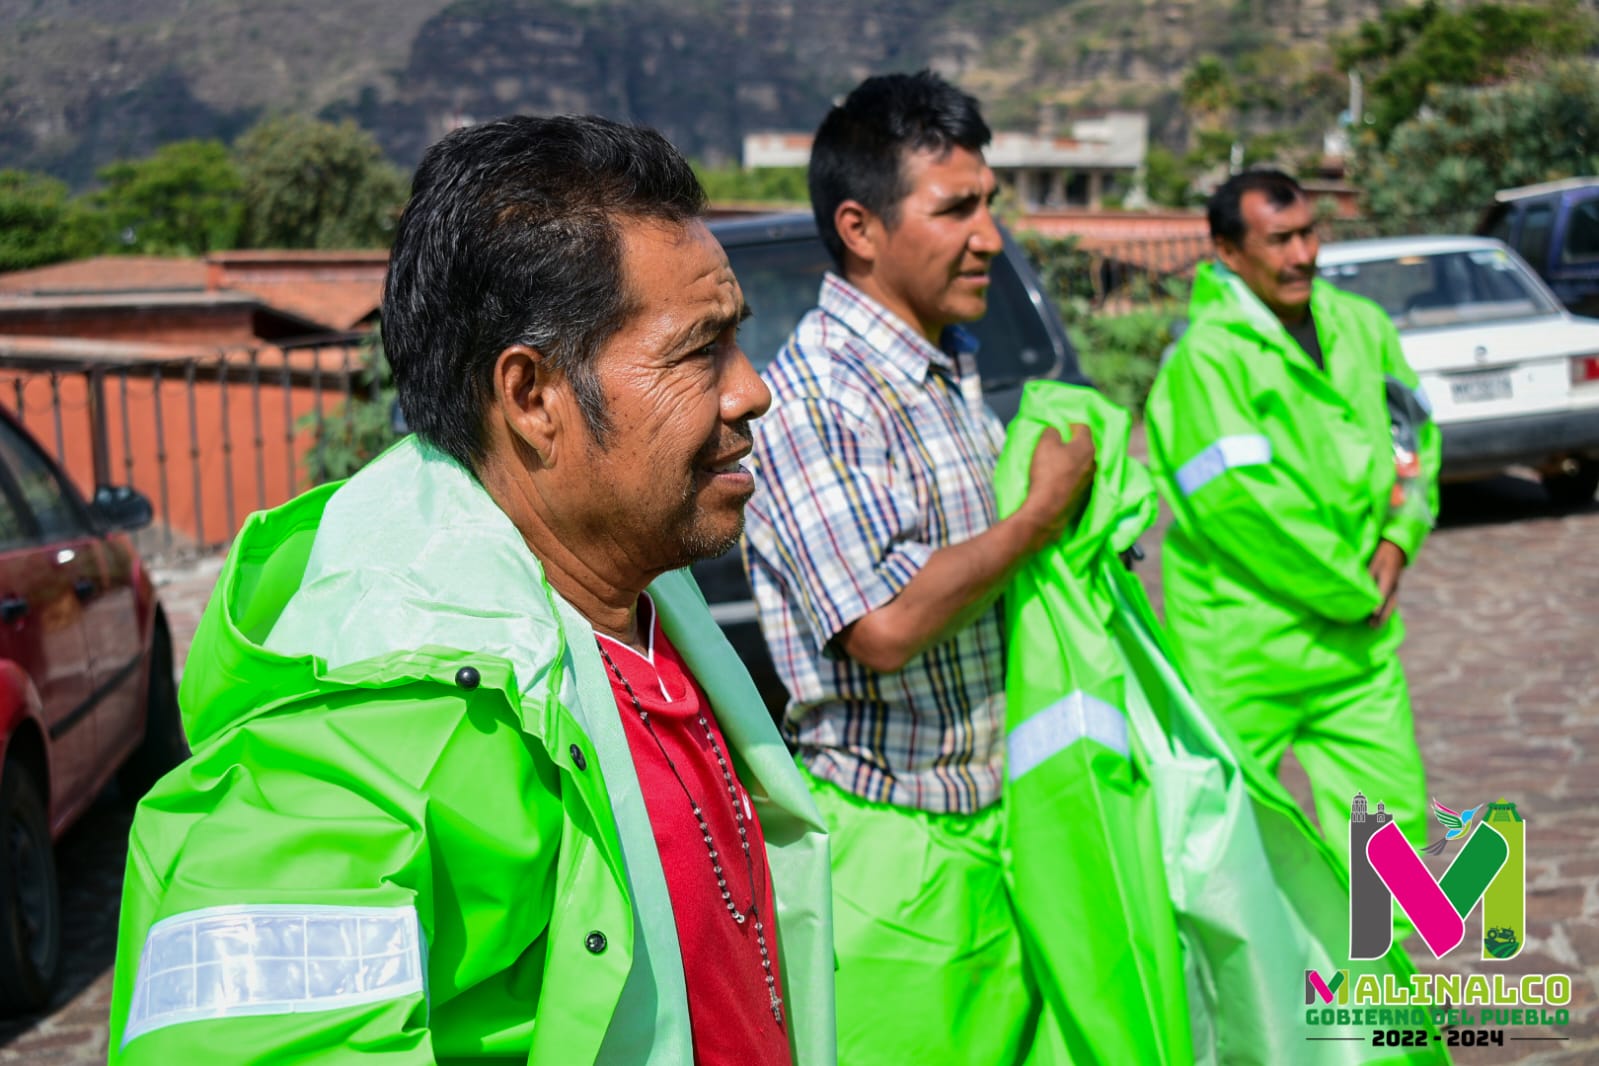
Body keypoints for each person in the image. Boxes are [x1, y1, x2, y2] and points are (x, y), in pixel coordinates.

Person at [106, 115, 836, 1065]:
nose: (752, 390)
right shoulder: (372, 734)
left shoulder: (627, 597)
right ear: (534, 397)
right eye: (699, 352)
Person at [740, 71, 1096, 1064]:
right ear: (860, 227)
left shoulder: (944, 368)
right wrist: (1037, 519)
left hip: (1001, 828)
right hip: (896, 867)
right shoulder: (814, 400)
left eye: (990, 206)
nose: (989, 236)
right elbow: (884, 628)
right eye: (956, 210)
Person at [1143, 168, 1441, 869]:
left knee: (1391, 844)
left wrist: (1399, 538)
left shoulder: (1359, 327)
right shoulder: (1207, 360)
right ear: (1226, 250)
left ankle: (1379, 978)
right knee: (1234, 859)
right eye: (1278, 240)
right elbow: (1242, 509)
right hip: (1244, 654)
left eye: (1308, 233)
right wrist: (1354, 588)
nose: (1301, 255)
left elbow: (1414, 440)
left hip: (1354, 656)